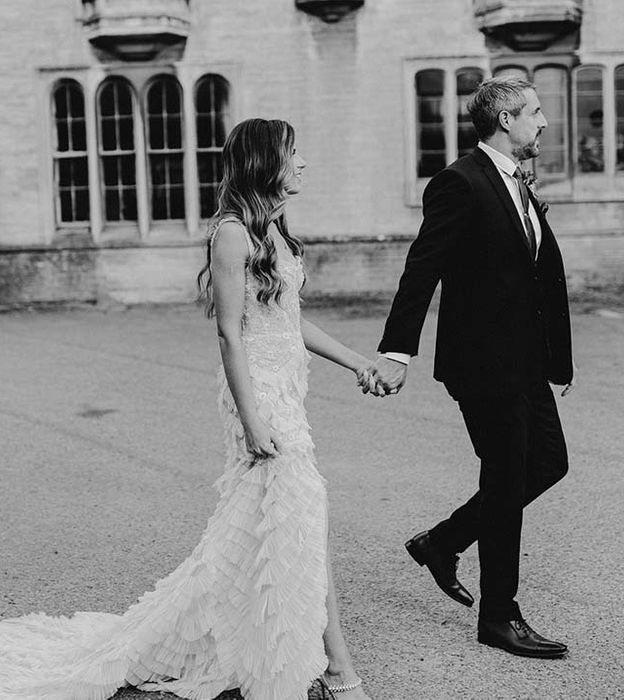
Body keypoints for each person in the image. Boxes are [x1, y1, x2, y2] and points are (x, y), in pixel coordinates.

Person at [0, 118, 373, 700]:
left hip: (287, 393)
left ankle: (301, 652)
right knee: (304, 521)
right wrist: (252, 420)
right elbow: (229, 334)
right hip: (259, 399)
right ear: (264, 162)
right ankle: (338, 669)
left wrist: (358, 362)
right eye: (293, 153)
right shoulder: (232, 234)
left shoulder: (275, 230)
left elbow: (290, 322)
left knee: (288, 527)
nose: (302, 163)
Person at [370, 77, 575, 659]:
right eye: (535, 112)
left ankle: (444, 540)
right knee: (507, 479)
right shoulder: (458, 182)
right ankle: (498, 616)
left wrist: (555, 357)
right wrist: (396, 351)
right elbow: (422, 268)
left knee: (550, 463)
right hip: (483, 364)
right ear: (506, 120)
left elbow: (532, 275)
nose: (542, 122)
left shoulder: (518, 184)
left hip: (526, 362)